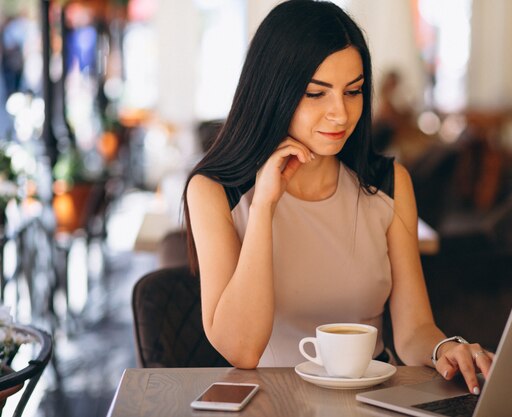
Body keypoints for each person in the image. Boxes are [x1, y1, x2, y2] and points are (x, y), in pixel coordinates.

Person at [183, 0, 492, 395]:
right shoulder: (214, 190)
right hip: (271, 403)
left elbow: (414, 329)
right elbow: (242, 349)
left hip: (373, 402)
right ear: (272, 92)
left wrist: (443, 347)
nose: (341, 114)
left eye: (353, 91)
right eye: (316, 93)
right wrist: (262, 206)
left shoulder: (389, 183)